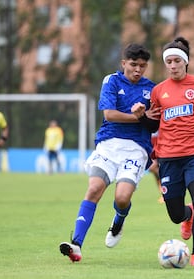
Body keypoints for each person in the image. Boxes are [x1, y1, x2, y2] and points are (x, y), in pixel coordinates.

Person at [132, 37, 194, 268]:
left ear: (185, 62)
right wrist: (142, 116)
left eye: (176, 61)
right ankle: (187, 216)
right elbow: (153, 126)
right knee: (175, 214)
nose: (172, 66)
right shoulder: (158, 91)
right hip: (168, 159)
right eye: (169, 62)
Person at [59, 43, 157, 262]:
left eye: (142, 66)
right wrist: (139, 116)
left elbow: (154, 125)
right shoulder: (111, 81)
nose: (138, 70)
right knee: (94, 188)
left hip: (136, 148)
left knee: (122, 198)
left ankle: (118, 222)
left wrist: (146, 118)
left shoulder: (152, 89)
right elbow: (110, 115)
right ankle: (76, 245)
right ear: (124, 63)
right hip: (109, 144)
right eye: (133, 65)